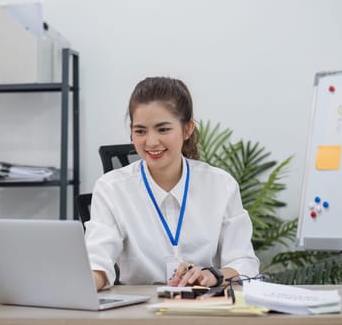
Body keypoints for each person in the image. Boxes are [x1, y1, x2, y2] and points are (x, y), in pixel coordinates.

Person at [85, 77, 259, 290]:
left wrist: (213, 275)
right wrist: (82, 283)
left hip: (204, 309)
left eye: (163, 129)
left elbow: (245, 263)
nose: (151, 141)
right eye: (140, 131)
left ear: (187, 130)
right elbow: (97, 263)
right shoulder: (111, 188)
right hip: (139, 313)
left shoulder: (221, 185)